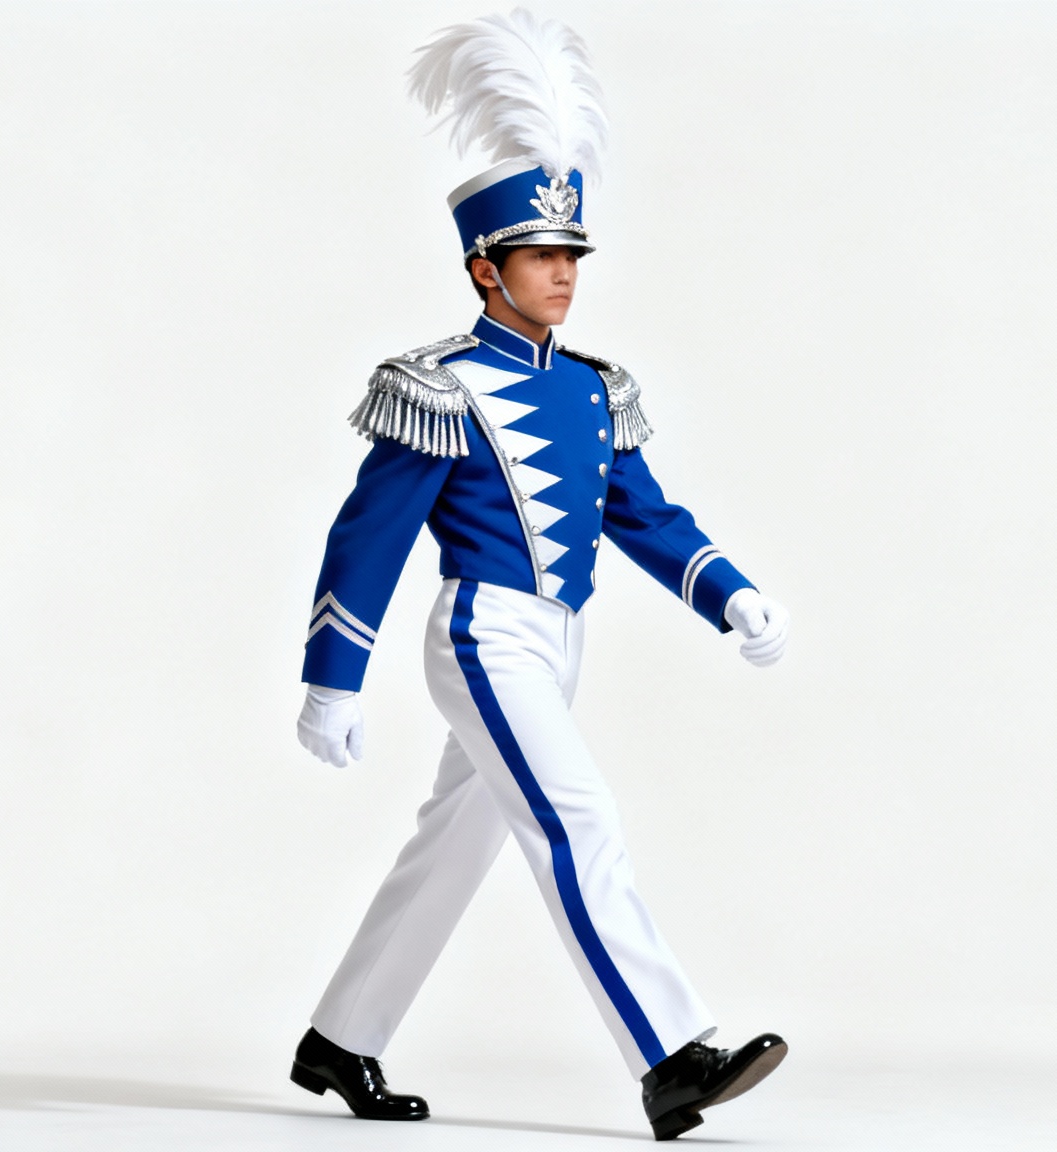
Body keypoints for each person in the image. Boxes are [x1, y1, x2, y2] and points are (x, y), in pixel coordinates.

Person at [288, 11, 793, 1142]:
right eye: (540, 257)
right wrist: (333, 675)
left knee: (452, 849)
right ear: (484, 267)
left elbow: (642, 516)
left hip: (556, 642)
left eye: (570, 255)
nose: (561, 275)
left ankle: (341, 1040)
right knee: (578, 819)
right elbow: (364, 535)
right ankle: (669, 1054)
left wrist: (727, 591)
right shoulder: (439, 387)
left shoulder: (595, 388)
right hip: (481, 637)